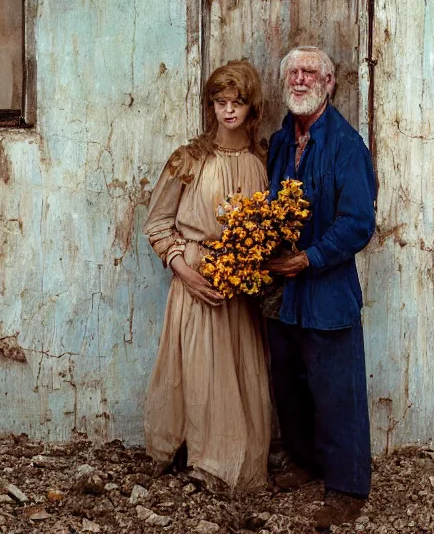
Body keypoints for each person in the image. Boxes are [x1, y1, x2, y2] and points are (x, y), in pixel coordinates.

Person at [142, 60, 271, 493]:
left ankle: (237, 461)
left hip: (241, 287)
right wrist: (187, 273)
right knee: (199, 372)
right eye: (220, 102)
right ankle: (203, 460)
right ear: (210, 106)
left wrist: (251, 266)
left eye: (237, 103)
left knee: (238, 373)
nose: (228, 111)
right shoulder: (189, 159)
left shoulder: (262, 158)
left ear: (252, 108)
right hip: (196, 279)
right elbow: (158, 224)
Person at [264, 46, 376, 528]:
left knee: (337, 391)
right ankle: (307, 463)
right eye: (294, 72)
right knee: (291, 386)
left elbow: (358, 223)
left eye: (311, 72)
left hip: (326, 291)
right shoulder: (280, 142)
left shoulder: (347, 145)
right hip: (283, 294)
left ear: (329, 83)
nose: (301, 79)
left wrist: (309, 257)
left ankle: (347, 487)